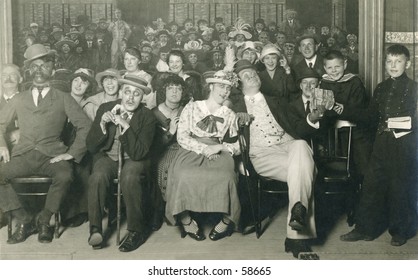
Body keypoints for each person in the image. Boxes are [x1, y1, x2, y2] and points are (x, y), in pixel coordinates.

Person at [0, 44, 91, 244]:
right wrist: (2, 144)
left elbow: (85, 126)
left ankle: (44, 219)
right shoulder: (18, 99)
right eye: (34, 66)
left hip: (51, 155)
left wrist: (72, 153)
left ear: (52, 69)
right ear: (28, 71)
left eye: (43, 65)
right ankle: (24, 220)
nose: (39, 70)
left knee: (65, 174)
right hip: (23, 155)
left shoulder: (63, 98)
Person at [232, 59, 317, 258]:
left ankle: (297, 220)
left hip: (290, 147)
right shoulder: (235, 106)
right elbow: (226, 134)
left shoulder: (277, 100)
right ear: (239, 83)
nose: (252, 76)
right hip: (263, 154)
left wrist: (312, 119)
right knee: (305, 172)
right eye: (246, 76)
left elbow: (297, 127)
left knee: (301, 143)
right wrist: (237, 121)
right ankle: (297, 239)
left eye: (253, 73)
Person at [340, 44, 418, 247]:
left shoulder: (414, 88)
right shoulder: (381, 88)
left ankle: (400, 231)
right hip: (381, 143)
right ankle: (365, 228)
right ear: (385, 64)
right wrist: (343, 109)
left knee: (400, 186)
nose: (393, 65)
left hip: (404, 145)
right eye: (389, 61)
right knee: (371, 185)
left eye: (398, 61)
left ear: (407, 64)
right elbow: (369, 116)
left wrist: (403, 125)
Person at [165, 69, 241, 242]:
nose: (225, 91)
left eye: (228, 89)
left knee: (227, 176)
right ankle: (185, 219)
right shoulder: (192, 107)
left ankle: (226, 220)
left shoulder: (230, 115)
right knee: (183, 174)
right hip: (191, 147)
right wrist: (202, 148)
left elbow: (239, 145)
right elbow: (182, 136)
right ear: (211, 86)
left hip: (218, 149)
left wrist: (219, 147)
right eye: (221, 86)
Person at [86, 74, 156, 251]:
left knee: (130, 176)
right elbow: (91, 145)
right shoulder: (105, 108)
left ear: (142, 97)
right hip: (109, 157)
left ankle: (135, 231)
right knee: (97, 176)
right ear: (121, 92)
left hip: (134, 159)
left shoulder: (147, 116)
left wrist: (126, 126)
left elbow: (140, 152)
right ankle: (95, 230)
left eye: (137, 94)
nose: (131, 97)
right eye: (127, 92)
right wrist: (102, 125)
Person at [319, 50, 372, 178]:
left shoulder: (355, 82)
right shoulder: (324, 83)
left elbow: (359, 109)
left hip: (355, 132)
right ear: (325, 68)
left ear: (345, 65)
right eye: (330, 67)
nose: (334, 71)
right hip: (331, 134)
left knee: (360, 164)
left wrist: (343, 110)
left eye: (337, 66)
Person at [60, 68, 97, 227]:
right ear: (70, 82)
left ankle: (82, 211)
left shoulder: (89, 104)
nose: (79, 85)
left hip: (83, 145)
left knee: (82, 166)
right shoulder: (61, 99)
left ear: (89, 87)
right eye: (76, 80)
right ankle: (65, 210)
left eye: (84, 82)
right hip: (61, 142)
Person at [151, 74, 186, 231]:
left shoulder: (186, 110)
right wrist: (171, 131)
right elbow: (153, 144)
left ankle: (183, 211)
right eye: (170, 88)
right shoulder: (153, 113)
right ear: (163, 91)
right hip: (160, 150)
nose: (174, 92)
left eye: (178, 89)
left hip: (183, 149)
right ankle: (160, 211)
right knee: (162, 166)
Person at [0, 64, 23, 230]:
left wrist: (22, 131)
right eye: (4, 75)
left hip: (20, 149)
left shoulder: (27, 99)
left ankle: (19, 215)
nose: (8, 78)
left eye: (12, 75)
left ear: (20, 79)